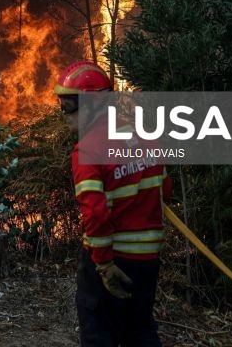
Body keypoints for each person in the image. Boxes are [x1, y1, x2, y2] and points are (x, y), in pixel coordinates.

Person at [55, 61, 171, 347]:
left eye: (69, 104)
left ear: (94, 104)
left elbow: (94, 213)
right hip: (147, 261)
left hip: (112, 261)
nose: (63, 113)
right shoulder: (146, 135)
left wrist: (104, 264)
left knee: (99, 336)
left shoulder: (88, 150)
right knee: (140, 331)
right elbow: (164, 190)